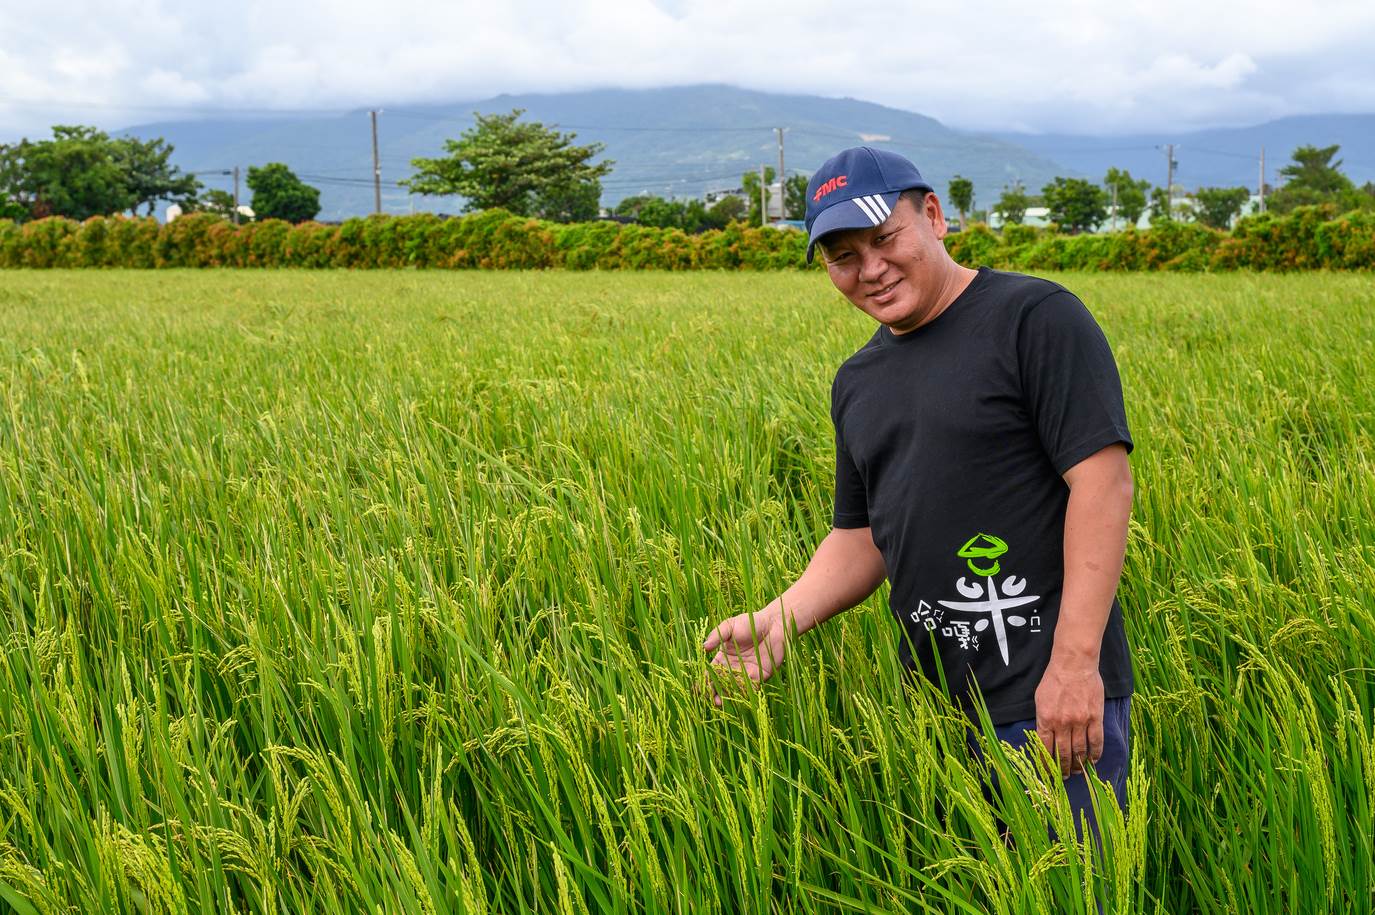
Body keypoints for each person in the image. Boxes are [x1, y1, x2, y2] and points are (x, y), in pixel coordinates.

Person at [702, 146, 1135, 838]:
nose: (868, 268)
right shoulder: (858, 381)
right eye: (842, 255)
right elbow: (864, 534)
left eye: (883, 238)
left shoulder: (1034, 318)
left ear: (931, 216)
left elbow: (1102, 482)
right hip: (935, 708)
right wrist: (780, 618)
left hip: (1049, 698)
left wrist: (1075, 663)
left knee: (1072, 890)